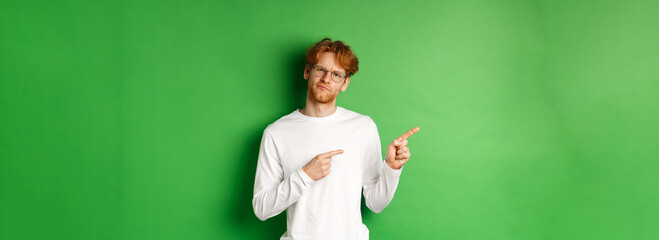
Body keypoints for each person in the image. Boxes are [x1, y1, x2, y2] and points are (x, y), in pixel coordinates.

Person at [252, 38, 420, 240]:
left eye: (336, 74)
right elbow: (262, 208)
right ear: (308, 71)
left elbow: (376, 203)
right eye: (321, 69)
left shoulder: (363, 127)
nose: (326, 79)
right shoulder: (277, 133)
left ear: (345, 83)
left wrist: (392, 169)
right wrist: (304, 176)